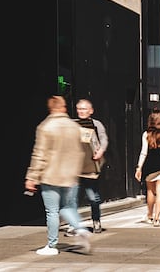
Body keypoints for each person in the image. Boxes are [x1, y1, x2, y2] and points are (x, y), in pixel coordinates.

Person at [24, 95, 91, 255]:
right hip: (71, 175)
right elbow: (81, 151)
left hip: (51, 175)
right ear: (63, 108)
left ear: (51, 108)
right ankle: (81, 229)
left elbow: (39, 154)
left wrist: (32, 176)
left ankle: (52, 245)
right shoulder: (74, 127)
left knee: (52, 211)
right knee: (67, 207)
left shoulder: (45, 127)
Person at [66, 99, 109, 235]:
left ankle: (96, 220)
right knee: (71, 197)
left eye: (84, 109)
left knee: (93, 197)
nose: (81, 111)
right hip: (75, 167)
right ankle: (74, 225)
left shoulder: (96, 124)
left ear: (91, 111)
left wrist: (100, 151)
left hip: (91, 166)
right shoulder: (72, 124)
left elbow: (103, 139)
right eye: (79, 109)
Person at [135, 110, 160, 227]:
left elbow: (144, 152)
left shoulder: (147, 134)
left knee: (150, 191)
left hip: (150, 165)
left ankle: (150, 215)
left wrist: (139, 167)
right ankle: (157, 218)